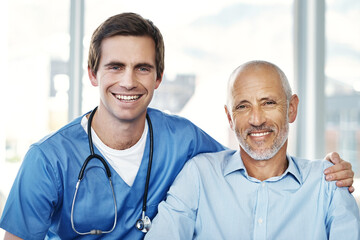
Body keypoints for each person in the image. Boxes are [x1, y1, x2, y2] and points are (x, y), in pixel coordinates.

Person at [0, 13, 354, 240]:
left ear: (158, 78)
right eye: (115, 66)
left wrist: (327, 172)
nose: (128, 81)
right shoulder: (47, 159)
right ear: (93, 74)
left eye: (142, 68)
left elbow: (258, 149)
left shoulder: (183, 141)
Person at [145, 60, 360, 240]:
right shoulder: (199, 176)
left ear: (291, 109)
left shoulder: (328, 182)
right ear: (230, 117)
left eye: (268, 103)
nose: (256, 120)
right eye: (243, 106)